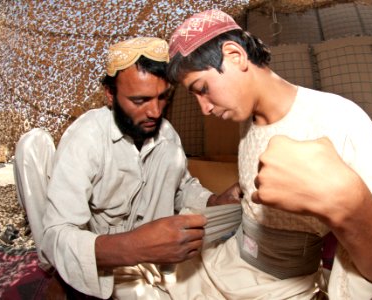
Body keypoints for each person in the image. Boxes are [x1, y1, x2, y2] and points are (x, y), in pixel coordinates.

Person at [166, 9, 372, 299]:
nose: (204, 108)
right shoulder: (244, 118)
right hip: (226, 266)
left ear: (235, 56)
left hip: (281, 289)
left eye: (203, 89)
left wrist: (348, 205)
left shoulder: (337, 119)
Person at [13, 37, 241, 299]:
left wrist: (215, 201)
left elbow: (182, 188)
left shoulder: (167, 135)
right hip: (102, 262)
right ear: (110, 95)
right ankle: (60, 280)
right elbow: (57, 237)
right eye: (139, 100)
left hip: (151, 265)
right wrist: (135, 247)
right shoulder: (87, 138)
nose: (155, 112)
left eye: (162, 98)